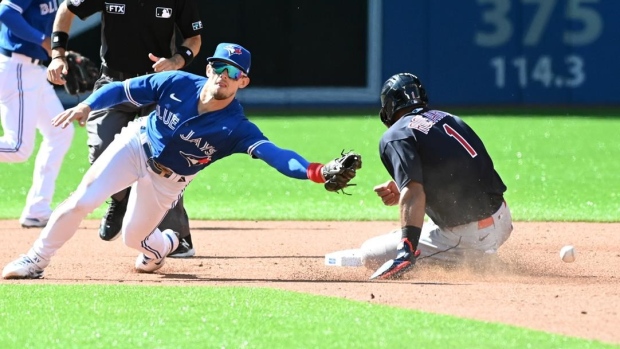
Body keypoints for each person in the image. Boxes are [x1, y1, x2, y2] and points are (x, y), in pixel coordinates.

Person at [2, 42, 360, 279]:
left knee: (134, 240)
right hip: (136, 144)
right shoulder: (175, 82)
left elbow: (278, 157)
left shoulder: (235, 127)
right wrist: (88, 104)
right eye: (220, 67)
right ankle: (36, 259)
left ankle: (167, 243)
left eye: (233, 72)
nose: (224, 75)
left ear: (244, 82)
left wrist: (316, 171)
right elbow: (122, 90)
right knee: (83, 199)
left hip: (168, 182)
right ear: (208, 69)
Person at [45, 0, 202, 257]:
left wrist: (176, 60)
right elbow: (66, 9)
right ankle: (120, 200)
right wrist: (58, 55)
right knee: (101, 152)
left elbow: (194, 38)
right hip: (113, 83)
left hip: (158, 86)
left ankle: (177, 235)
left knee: (165, 161)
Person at [364, 73, 513, 280]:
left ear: (388, 109)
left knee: (369, 253)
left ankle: (477, 261)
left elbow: (414, 192)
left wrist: (406, 251)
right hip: (503, 218)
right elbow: (467, 169)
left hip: (470, 235)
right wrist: (404, 186)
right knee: (402, 233)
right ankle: (479, 253)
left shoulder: (395, 134)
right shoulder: (447, 118)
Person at [0, 0, 74, 228]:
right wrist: (43, 41)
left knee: (61, 131)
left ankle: (38, 210)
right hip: (17, 68)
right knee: (18, 148)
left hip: (36, 70)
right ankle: (37, 209)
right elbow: (5, 12)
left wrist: (59, 52)